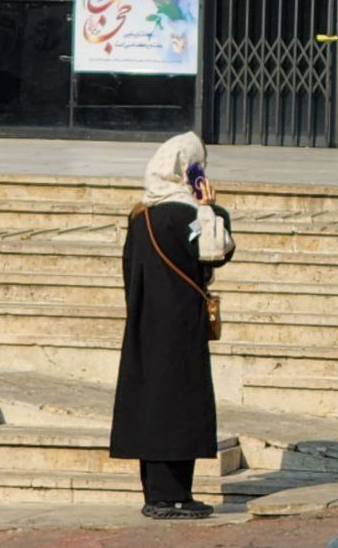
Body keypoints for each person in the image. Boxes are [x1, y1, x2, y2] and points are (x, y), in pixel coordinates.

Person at [111, 132, 237, 519]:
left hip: (145, 323)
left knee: (151, 405)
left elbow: (129, 271)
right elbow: (216, 254)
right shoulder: (193, 216)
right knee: (180, 406)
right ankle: (174, 496)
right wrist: (210, 208)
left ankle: (155, 492)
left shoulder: (140, 217)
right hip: (180, 325)